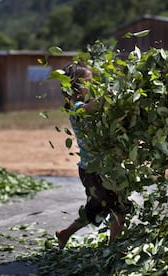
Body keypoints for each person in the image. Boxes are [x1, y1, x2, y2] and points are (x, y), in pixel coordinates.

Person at [55, 61, 131, 249]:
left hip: (102, 169)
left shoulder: (93, 106)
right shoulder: (77, 107)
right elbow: (90, 109)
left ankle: (64, 234)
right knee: (119, 207)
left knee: (95, 209)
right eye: (89, 82)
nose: (93, 85)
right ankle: (113, 249)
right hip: (94, 171)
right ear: (75, 86)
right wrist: (108, 96)